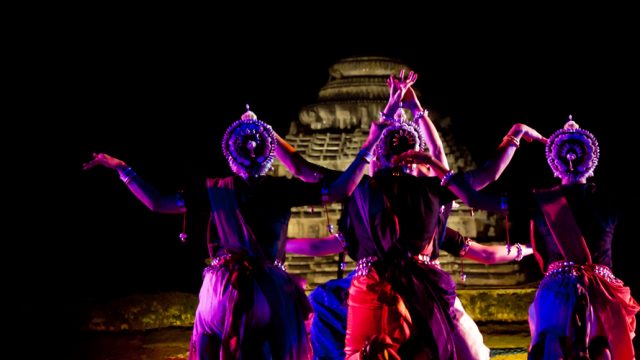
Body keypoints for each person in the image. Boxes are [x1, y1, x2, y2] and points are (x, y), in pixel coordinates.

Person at [82, 106, 391, 360]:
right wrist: (368, 147)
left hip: (220, 289)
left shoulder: (213, 189)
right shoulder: (279, 190)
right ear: (268, 157)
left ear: (231, 155)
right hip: (270, 289)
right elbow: (339, 190)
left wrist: (122, 168)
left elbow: (157, 203)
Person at [276, 70, 546, 358]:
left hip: (382, 286)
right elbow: (485, 176)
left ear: (376, 156)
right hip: (419, 289)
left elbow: (302, 170)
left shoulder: (361, 189)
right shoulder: (426, 189)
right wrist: (513, 135)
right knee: (471, 353)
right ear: (418, 157)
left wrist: (268, 136)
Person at [401, 118, 639, 359]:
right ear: (592, 163)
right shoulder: (612, 200)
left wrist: (434, 163)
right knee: (603, 350)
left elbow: (473, 199)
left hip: (558, 296)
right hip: (604, 293)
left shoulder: (541, 201)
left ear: (554, 164)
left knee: (557, 349)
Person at [286, 227, 533, 360]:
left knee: (473, 353)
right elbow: (321, 246)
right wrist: (273, 245)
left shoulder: (430, 222)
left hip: (428, 293)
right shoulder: (366, 219)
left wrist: (533, 248)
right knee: (324, 309)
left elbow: (485, 254)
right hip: (374, 287)